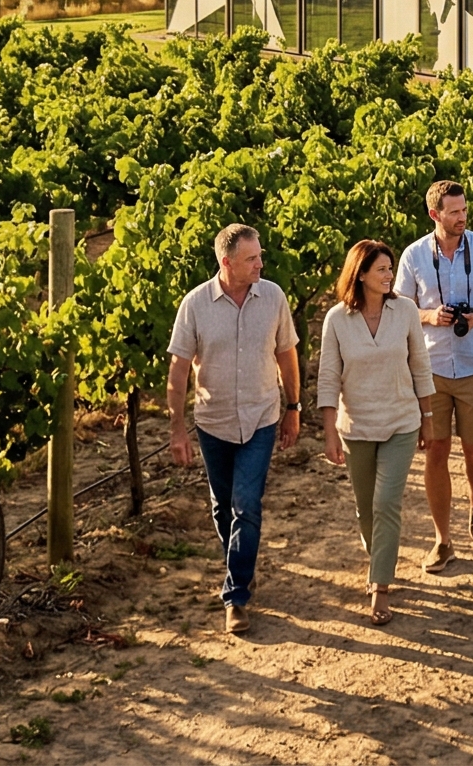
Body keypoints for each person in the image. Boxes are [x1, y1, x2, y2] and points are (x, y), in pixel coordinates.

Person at [168, 223, 300, 635]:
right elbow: (177, 369)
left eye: (260, 255)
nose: (261, 263)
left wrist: (294, 406)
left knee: (247, 504)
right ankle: (240, 564)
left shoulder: (273, 297)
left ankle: (236, 594)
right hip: (214, 421)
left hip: (261, 417)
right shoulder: (195, 306)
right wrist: (177, 428)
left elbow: (287, 355)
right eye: (252, 259)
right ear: (227, 263)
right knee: (222, 507)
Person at [395, 180, 473, 571]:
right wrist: (430, 317)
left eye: (464, 210)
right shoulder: (414, 256)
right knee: (435, 451)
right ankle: (442, 539)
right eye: (454, 212)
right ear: (435, 215)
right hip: (430, 369)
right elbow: (398, 308)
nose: (462, 217)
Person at [317, 238, 435, 624]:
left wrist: (427, 416)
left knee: (386, 504)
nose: (389, 275)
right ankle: (379, 559)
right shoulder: (337, 319)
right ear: (361, 273)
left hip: (401, 422)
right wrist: (330, 429)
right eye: (381, 269)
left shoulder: (405, 312)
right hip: (357, 427)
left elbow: (420, 364)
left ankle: (379, 588)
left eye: (390, 268)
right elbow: (329, 376)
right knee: (366, 509)